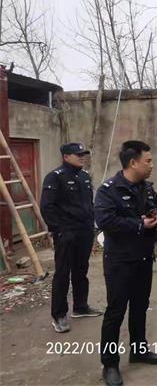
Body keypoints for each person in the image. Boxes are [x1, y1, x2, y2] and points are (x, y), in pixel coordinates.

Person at [95, 141, 157, 386]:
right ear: (133, 162)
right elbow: (105, 221)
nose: (152, 165)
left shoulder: (147, 188)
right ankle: (110, 364)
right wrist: (139, 224)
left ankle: (138, 350)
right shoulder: (108, 190)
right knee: (115, 311)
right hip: (120, 261)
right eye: (148, 161)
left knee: (140, 306)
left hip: (144, 258)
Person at [41, 142, 102, 334]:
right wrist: (59, 230)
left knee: (81, 270)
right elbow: (47, 207)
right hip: (66, 233)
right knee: (62, 273)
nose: (82, 157)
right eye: (78, 155)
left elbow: (88, 204)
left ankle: (80, 306)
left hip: (84, 232)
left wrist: (93, 226)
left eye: (83, 154)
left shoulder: (84, 177)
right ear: (66, 156)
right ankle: (59, 315)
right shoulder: (55, 177)